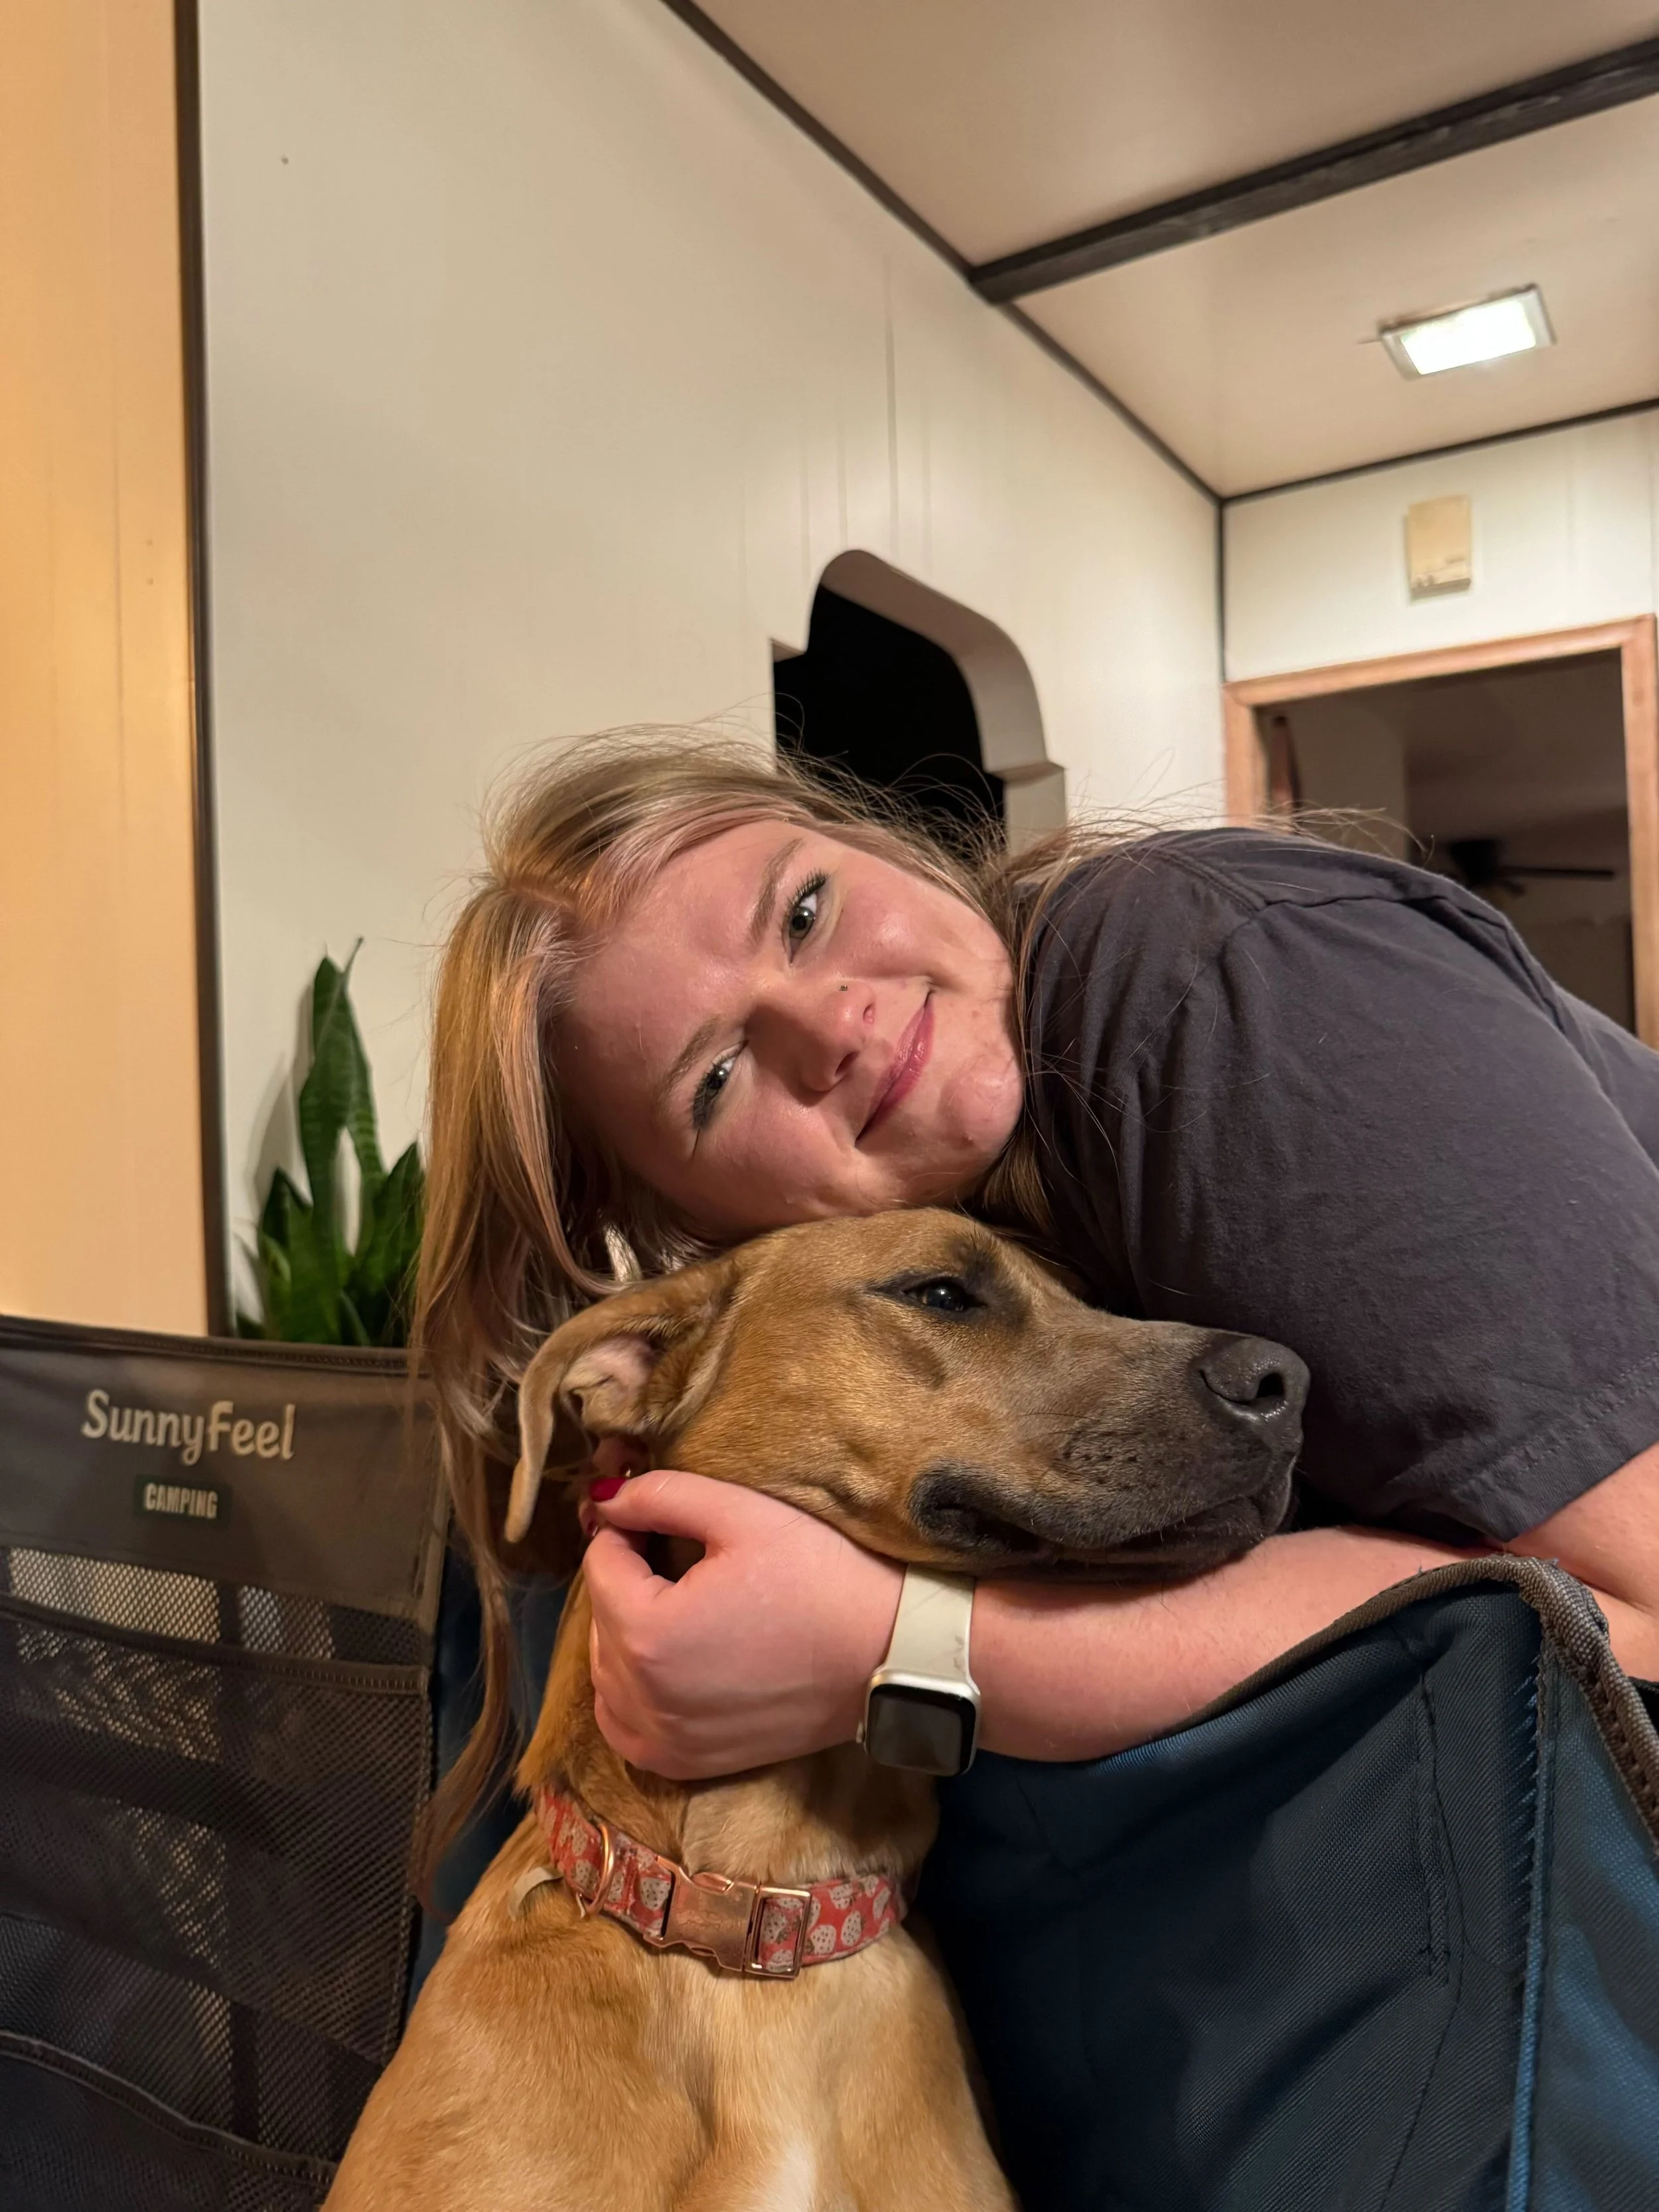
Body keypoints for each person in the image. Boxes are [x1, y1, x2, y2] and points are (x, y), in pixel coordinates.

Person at [417, 731, 1659, 1837]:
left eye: (802, 912)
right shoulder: (938, 1232)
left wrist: (904, 1656)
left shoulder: (1215, 993)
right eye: (717, 1079)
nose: (832, 1024)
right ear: (695, 1232)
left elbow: (1643, 1636)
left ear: (874, 844)